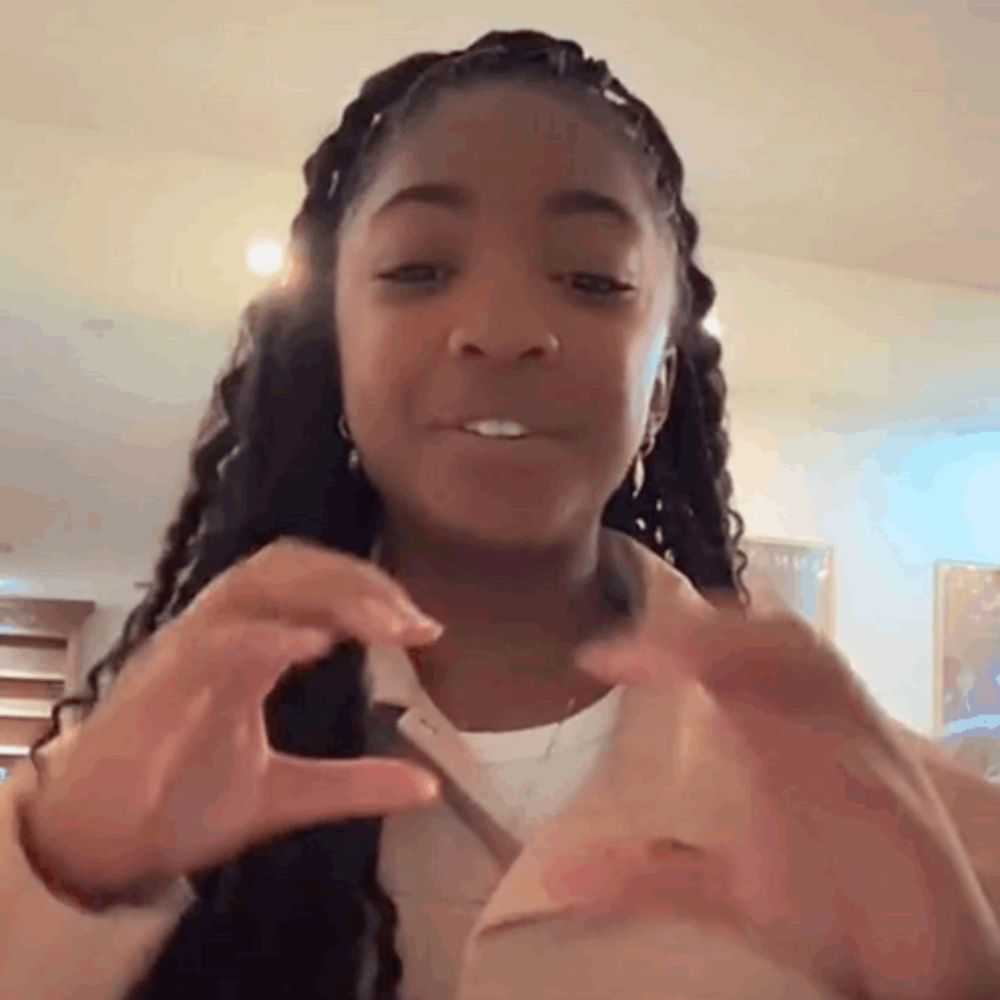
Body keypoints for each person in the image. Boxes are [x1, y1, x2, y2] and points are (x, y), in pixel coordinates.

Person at [2, 28, 999, 1000]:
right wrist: (67, 875)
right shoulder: (132, 783)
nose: (504, 330)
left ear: (659, 389)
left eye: (592, 280)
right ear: (334, 356)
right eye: (418, 270)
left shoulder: (903, 818)